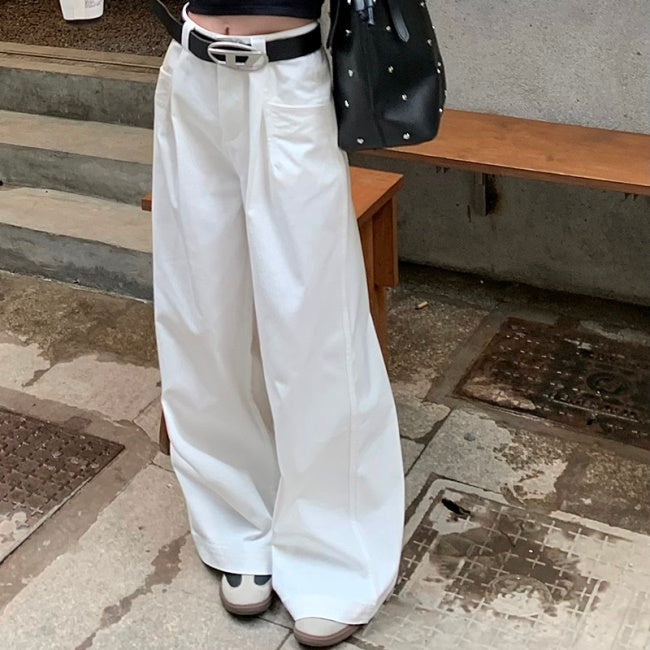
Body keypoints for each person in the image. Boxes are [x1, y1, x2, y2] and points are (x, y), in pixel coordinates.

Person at [151, 1, 405, 646]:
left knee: (315, 331)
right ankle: (235, 521)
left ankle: (336, 558)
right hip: (192, 69)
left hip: (286, 76)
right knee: (201, 316)